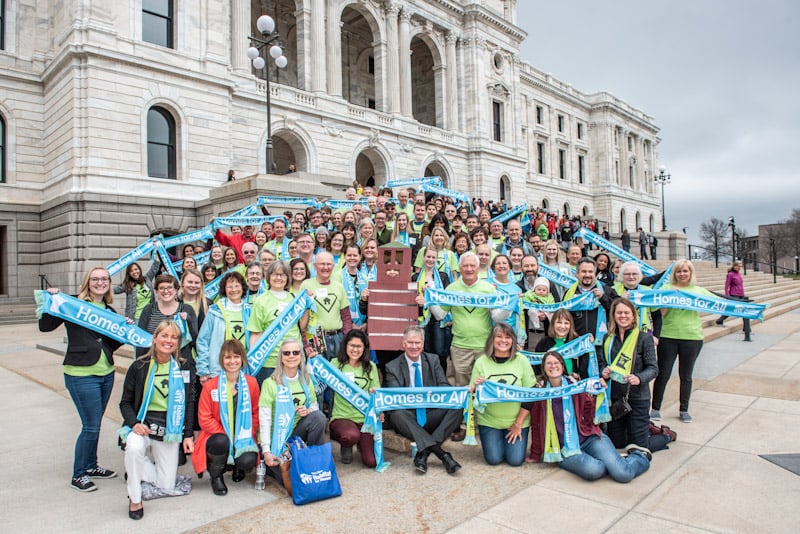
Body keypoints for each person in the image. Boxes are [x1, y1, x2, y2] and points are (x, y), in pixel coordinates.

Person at [39, 268, 123, 492]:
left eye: (104, 279)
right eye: (95, 279)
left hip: (106, 372)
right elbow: (44, 326)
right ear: (87, 282)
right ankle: (79, 474)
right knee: (90, 426)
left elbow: (110, 344)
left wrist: (125, 330)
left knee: (95, 424)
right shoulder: (71, 303)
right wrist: (52, 301)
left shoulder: (110, 310)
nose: (100, 282)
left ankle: (92, 466)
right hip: (80, 374)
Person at [527, 351, 651, 483]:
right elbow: (536, 425)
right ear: (544, 368)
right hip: (565, 448)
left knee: (623, 474)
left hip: (589, 437)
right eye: (549, 363)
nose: (553, 366)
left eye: (556, 363)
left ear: (563, 366)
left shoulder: (577, 386)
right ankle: (615, 462)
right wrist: (535, 454)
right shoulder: (540, 393)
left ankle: (639, 456)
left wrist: (595, 395)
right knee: (594, 470)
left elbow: (590, 413)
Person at [120, 321, 195, 520]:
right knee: (134, 448)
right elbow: (125, 403)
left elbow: (189, 402)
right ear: (155, 338)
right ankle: (135, 498)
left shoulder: (184, 366)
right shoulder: (139, 366)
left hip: (169, 428)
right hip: (143, 424)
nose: (168, 341)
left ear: (178, 343)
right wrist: (134, 423)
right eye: (164, 336)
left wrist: (188, 435)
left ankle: (135, 466)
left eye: (173, 337)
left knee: (166, 485)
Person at [384, 326, 463, 475]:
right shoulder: (392, 367)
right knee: (396, 413)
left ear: (423, 343)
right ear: (404, 344)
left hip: (431, 412)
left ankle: (424, 453)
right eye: (410, 343)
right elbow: (395, 398)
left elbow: (444, 387)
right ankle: (442, 455)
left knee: (458, 407)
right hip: (409, 417)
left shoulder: (433, 360)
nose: (414, 346)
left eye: (418, 343)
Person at [601, 299, 674, 454]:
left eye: (626, 313)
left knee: (638, 447)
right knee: (617, 443)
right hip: (616, 398)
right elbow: (602, 363)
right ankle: (643, 428)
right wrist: (604, 371)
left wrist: (639, 378)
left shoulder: (643, 338)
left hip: (637, 397)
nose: (623, 316)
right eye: (619, 312)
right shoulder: (607, 339)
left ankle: (665, 435)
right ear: (613, 315)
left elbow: (653, 368)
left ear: (633, 316)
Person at [651, 259, 716, 423]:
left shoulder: (699, 291)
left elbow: (718, 304)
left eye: (685, 271)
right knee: (663, 373)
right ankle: (655, 408)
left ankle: (684, 409)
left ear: (691, 273)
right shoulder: (666, 289)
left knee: (686, 375)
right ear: (674, 274)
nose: (682, 274)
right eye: (679, 271)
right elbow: (652, 307)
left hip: (692, 337)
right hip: (668, 336)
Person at [193, 339, 260, 496]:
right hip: (218, 436)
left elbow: (256, 412)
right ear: (222, 360)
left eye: (236, 357)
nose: (232, 361)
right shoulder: (211, 385)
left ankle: (237, 466)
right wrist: (227, 433)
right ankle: (216, 476)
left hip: (243, 434)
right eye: (228, 357)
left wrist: (246, 433)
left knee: (248, 460)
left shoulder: (251, 383)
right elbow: (204, 418)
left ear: (242, 359)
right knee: (220, 442)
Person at [258, 339, 327, 486]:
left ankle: (314, 461)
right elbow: (264, 419)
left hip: (296, 433)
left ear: (301, 356)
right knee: (294, 482)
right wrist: (266, 450)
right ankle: (271, 463)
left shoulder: (306, 380)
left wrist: (308, 411)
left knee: (319, 417)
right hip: (277, 438)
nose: (291, 356)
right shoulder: (270, 383)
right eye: (286, 353)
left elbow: (315, 408)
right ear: (281, 357)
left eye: (295, 352)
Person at [470, 323, 535, 466]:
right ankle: (496, 438)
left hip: (517, 421)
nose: (503, 340)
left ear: (513, 340)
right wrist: (478, 386)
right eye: (498, 336)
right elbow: (472, 393)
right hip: (489, 421)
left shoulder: (522, 360)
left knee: (515, 460)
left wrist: (518, 424)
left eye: (508, 337)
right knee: (494, 459)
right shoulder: (481, 362)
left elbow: (531, 395)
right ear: (491, 340)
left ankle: (510, 436)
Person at [441, 252, 496, 389]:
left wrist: (509, 305)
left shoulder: (488, 289)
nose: (469, 269)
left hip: (484, 345)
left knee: (484, 384)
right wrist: (429, 301)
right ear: (460, 268)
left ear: (478, 268)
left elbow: (496, 316)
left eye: (472, 265)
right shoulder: (451, 289)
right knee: (462, 385)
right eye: (465, 266)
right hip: (460, 346)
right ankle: (464, 410)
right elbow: (440, 314)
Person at [247, 261, 308, 385]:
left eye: (282, 275)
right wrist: (253, 358)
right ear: (268, 277)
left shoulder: (294, 298)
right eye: (275, 274)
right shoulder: (261, 301)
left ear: (287, 278)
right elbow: (256, 332)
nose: (278, 278)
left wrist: (307, 306)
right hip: (269, 360)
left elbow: (302, 327)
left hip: (293, 357)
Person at [329, 330, 380, 466]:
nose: (355, 349)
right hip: (342, 417)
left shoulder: (371, 367)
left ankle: (360, 442)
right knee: (350, 435)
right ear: (345, 346)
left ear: (364, 348)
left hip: (364, 419)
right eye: (352, 345)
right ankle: (346, 444)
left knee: (371, 462)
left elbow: (377, 393)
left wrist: (379, 409)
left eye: (359, 346)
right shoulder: (335, 364)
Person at [565, 257, 618, 378]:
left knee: (601, 380)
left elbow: (619, 311)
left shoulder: (607, 290)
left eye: (590, 272)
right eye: (584, 272)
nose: (587, 275)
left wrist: (603, 298)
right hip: (578, 346)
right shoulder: (570, 293)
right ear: (577, 274)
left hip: (601, 346)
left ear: (595, 274)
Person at [196, 271, 252, 382]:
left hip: (244, 369)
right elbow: (203, 340)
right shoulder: (214, 311)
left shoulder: (250, 311)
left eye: (237, 285)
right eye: (229, 286)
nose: (234, 289)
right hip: (218, 369)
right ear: (224, 289)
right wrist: (203, 370)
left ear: (243, 287)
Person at [300, 252, 352, 361]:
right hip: (316, 336)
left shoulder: (339, 286)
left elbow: (346, 316)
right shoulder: (306, 285)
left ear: (333, 266)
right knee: (319, 372)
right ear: (315, 266)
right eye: (322, 264)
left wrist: (347, 340)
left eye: (329, 264)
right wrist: (306, 344)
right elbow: (302, 317)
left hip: (338, 337)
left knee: (337, 372)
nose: (325, 267)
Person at [137, 274, 198, 362]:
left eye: (169, 287)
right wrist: (141, 362)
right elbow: (141, 338)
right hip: (153, 362)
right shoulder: (149, 310)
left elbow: (195, 340)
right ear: (156, 291)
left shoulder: (186, 309)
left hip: (181, 362)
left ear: (176, 290)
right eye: (161, 288)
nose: (166, 291)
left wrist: (188, 321)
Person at [413, 247, 453, 371]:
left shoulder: (443, 277)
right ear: (423, 258)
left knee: (440, 353)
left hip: (439, 319)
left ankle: (441, 380)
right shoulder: (414, 278)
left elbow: (447, 298)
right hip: (421, 320)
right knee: (425, 352)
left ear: (436, 260)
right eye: (428, 257)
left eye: (433, 257)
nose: (430, 260)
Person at [534, 308, 580, 377]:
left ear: (571, 325)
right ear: (553, 324)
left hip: (572, 384)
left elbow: (584, 365)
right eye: (559, 322)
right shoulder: (544, 342)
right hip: (549, 385)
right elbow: (537, 366)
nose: (562, 326)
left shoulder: (577, 342)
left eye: (566, 323)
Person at [716, 260, 745, 326]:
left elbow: (740, 284)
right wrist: (727, 295)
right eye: (738, 266)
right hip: (734, 294)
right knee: (731, 309)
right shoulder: (730, 274)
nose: (740, 268)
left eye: (740, 266)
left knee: (743, 310)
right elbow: (727, 286)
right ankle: (720, 320)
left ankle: (746, 328)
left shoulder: (739, 274)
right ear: (734, 266)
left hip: (741, 294)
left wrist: (743, 293)